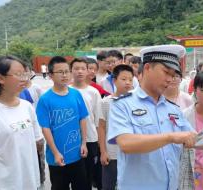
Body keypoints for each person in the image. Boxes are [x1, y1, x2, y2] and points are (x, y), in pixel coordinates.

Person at [107, 44, 197, 190]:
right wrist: (170, 137)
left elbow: (193, 138)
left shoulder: (173, 108)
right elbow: (126, 143)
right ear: (147, 68)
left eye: (173, 75)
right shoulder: (122, 105)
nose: (170, 79)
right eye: (166, 72)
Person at [0, 55, 43, 190]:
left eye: (25, 74)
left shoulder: (27, 106)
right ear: (0, 78)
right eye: (18, 74)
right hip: (3, 184)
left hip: (29, 182)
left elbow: (37, 141)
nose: (24, 79)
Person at [36, 56, 89, 190]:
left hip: (77, 154)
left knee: (82, 186)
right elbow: (45, 128)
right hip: (57, 158)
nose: (65, 75)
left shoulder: (76, 94)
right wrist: (55, 152)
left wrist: (84, 143)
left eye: (67, 71)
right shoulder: (45, 99)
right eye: (60, 72)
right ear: (50, 75)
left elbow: (82, 119)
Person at [98, 64, 134, 190]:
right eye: (123, 79)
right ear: (114, 80)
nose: (127, 83)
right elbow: (101, 128)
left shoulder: (136, 102)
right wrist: (103, 152)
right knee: (109, 185)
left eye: (130, 79)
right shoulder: (106, 102)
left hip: (132, 153)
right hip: (112, 153)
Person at [70, 57, 102, 190]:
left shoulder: (93, 92)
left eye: (83, 68)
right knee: (73, 175)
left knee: (88, 174)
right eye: (76, 69)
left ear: (88, 71)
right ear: (71, 71)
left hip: (90, 138)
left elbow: (98, 118)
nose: (80, 71)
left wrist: (100, 142)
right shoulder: (66, 91)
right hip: (71, 139)